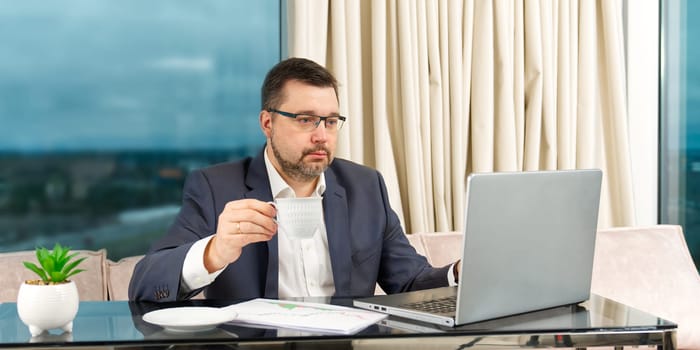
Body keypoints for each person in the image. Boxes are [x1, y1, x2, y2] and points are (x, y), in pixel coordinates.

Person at [128, 57, 461, 302]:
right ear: (267, 123)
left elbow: (409, 281)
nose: (322, 135)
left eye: (330, 121)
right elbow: (145, 284)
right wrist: (215, 251)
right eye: (306, 120)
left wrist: (459, 274)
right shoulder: (216, 188)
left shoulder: (365, 186)